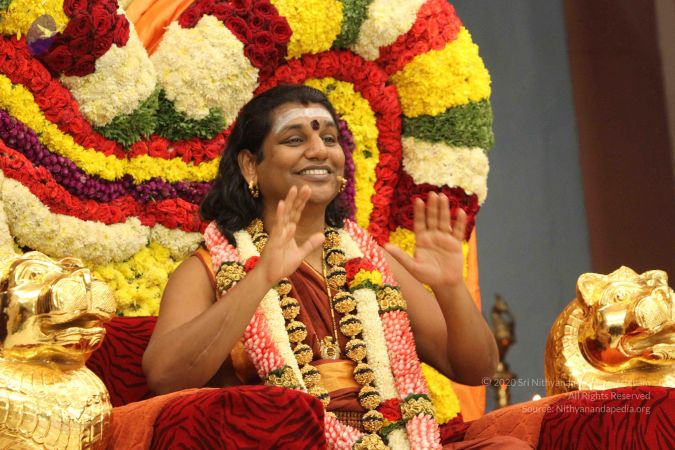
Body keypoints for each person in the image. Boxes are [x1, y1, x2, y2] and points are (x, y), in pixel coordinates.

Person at [142, 84, 529, 449]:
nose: (319, 151)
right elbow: (164, 377)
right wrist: (260, 278)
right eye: (295, 140)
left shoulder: (372, 262)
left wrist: (450, 289)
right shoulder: (210, 267)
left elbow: (478, 371)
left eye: (329, 139)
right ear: (249, 165)